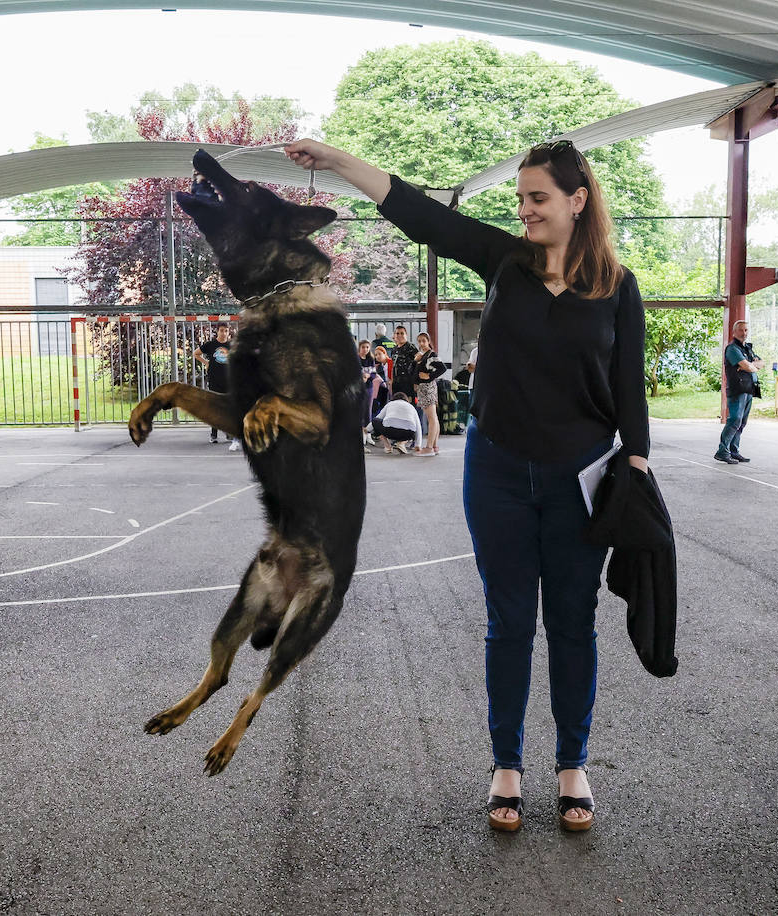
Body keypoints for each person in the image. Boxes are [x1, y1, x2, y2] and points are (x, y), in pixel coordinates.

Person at [287, 137, 650, 834]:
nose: (525, 211)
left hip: (583, 478)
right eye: (520, 199)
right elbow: (420, 214)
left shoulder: (617, 286)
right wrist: (337, 161)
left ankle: (573, 763)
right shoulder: (504, 262)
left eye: (538, 198)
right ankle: (506, 766)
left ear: (578, 202)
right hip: (500, 472)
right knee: (509, 621)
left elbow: (630, 397)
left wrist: (635, 476)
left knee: (572, 621)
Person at [716, 319, 760, 465]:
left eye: (746, 330)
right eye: (741, 330)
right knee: (734, 420)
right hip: (738, 390)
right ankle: (722, 451)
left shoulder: (747, 348)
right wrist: (749, 365)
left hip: (748, 389)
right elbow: (747, 366)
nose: (744, 333)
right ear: (734, 332)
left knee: (742, 422)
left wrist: (750, 365)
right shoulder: (732, 349)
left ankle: (734, 450)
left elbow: (760, 363)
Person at [196, 324, 240, 451]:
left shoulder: (232, 346)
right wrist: (206, 363)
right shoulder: (210, 345)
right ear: (217, 332)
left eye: (226, 331)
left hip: (229, 381)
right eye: (222, 330)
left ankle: (229, 433)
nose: (224, 333)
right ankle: (213, 434)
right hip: (215, 381)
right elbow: (196, 353)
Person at [412, 331, 446, 456]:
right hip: (424, 388)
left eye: (424, 341)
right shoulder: (423, 355)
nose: (421, 343)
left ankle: (429, 447)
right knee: (433, 418)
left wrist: (429, 376)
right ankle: (434, 445)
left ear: (428, 341)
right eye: (419, 341)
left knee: (431, 418)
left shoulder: (431, 355)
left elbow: (442, 368)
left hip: (427, 388)